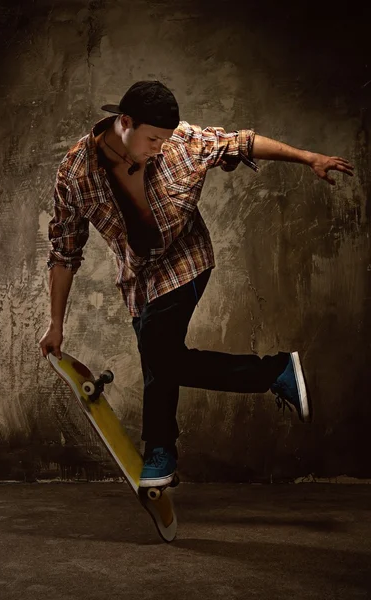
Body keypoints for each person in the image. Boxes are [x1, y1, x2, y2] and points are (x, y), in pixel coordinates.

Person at [39, 80, 354, 488]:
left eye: (164, 140)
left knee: (159, 352)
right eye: (152, 138)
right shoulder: (77, 172)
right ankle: (173, 445)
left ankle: (170, 442)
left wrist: (309, 157)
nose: (159, 148)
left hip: (187, 263)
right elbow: (64, 251)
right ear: (125, 122)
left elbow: (243, 142)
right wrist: (55, 323)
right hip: (139, 281)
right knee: (160, 358)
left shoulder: (182, 144)